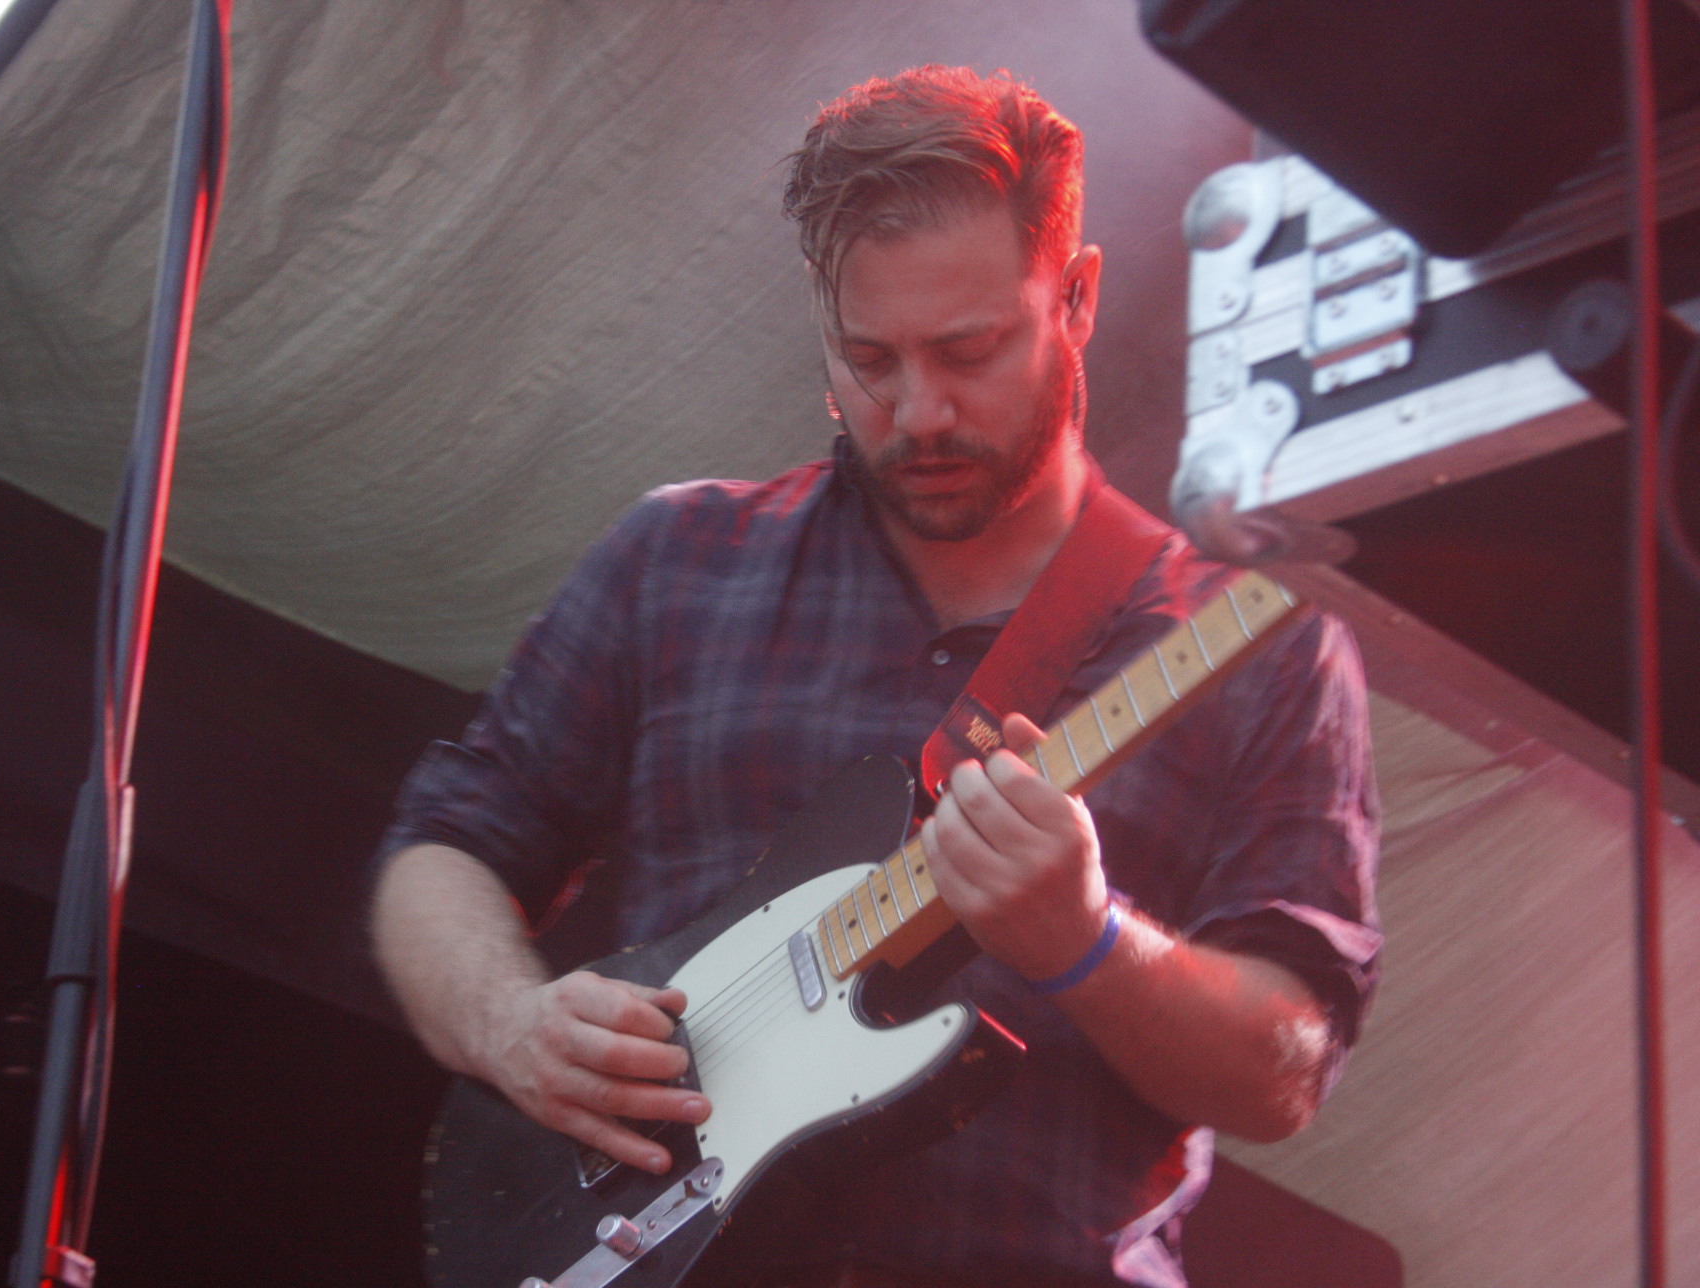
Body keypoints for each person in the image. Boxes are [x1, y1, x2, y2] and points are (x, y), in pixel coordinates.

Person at [370, 66, 1380, 1288]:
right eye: (868, 358)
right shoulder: (677, 557)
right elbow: (444, 845)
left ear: (1075, 296)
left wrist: (1086, 941)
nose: (919, 410)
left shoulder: (1260, 642)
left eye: (969, 348)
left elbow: (1284, 1070)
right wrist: (510, 1025)